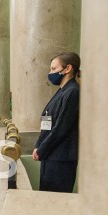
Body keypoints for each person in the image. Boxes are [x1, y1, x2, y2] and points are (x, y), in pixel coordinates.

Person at [33, 52, 80, 193]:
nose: (50, 72)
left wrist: (41, 150)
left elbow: (61, 128)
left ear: (67, 68)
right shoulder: (62, 91)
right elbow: (47, 122)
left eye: (54, 69)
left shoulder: (73, 91)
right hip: (50, 155)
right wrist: (38, 145)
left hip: (61, 159)